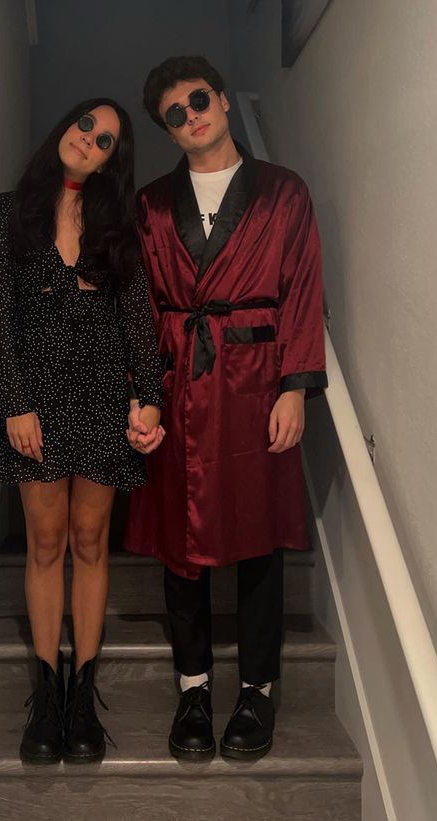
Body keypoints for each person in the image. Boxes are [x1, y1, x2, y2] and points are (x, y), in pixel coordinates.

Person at [125, 57, 327, 761]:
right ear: (167, 130)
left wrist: (295, 387)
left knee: (260, 539)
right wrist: (143, 394)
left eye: (199, 99)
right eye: (174, 114)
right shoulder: (151, 206)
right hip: (179, 383)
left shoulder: (283, 194)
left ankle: (259, 690)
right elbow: (140, 307)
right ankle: (193, 687)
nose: (191, 116)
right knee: (183, 546)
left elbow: (302, 290)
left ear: (224, 102)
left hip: (255, 382)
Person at [0, 98, 164, 764]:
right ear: (65, 125)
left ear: (115, 159)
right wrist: (14, 403)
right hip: (37, 405)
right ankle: (47, 692)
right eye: (86, 125)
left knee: (90, 539)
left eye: (106, 139)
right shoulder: (8, 211)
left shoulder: (118, 222)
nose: (90, 140)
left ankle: (83, 694)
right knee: (46, 539)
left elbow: (138, 319)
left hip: (102, 397)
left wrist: (151, 400)